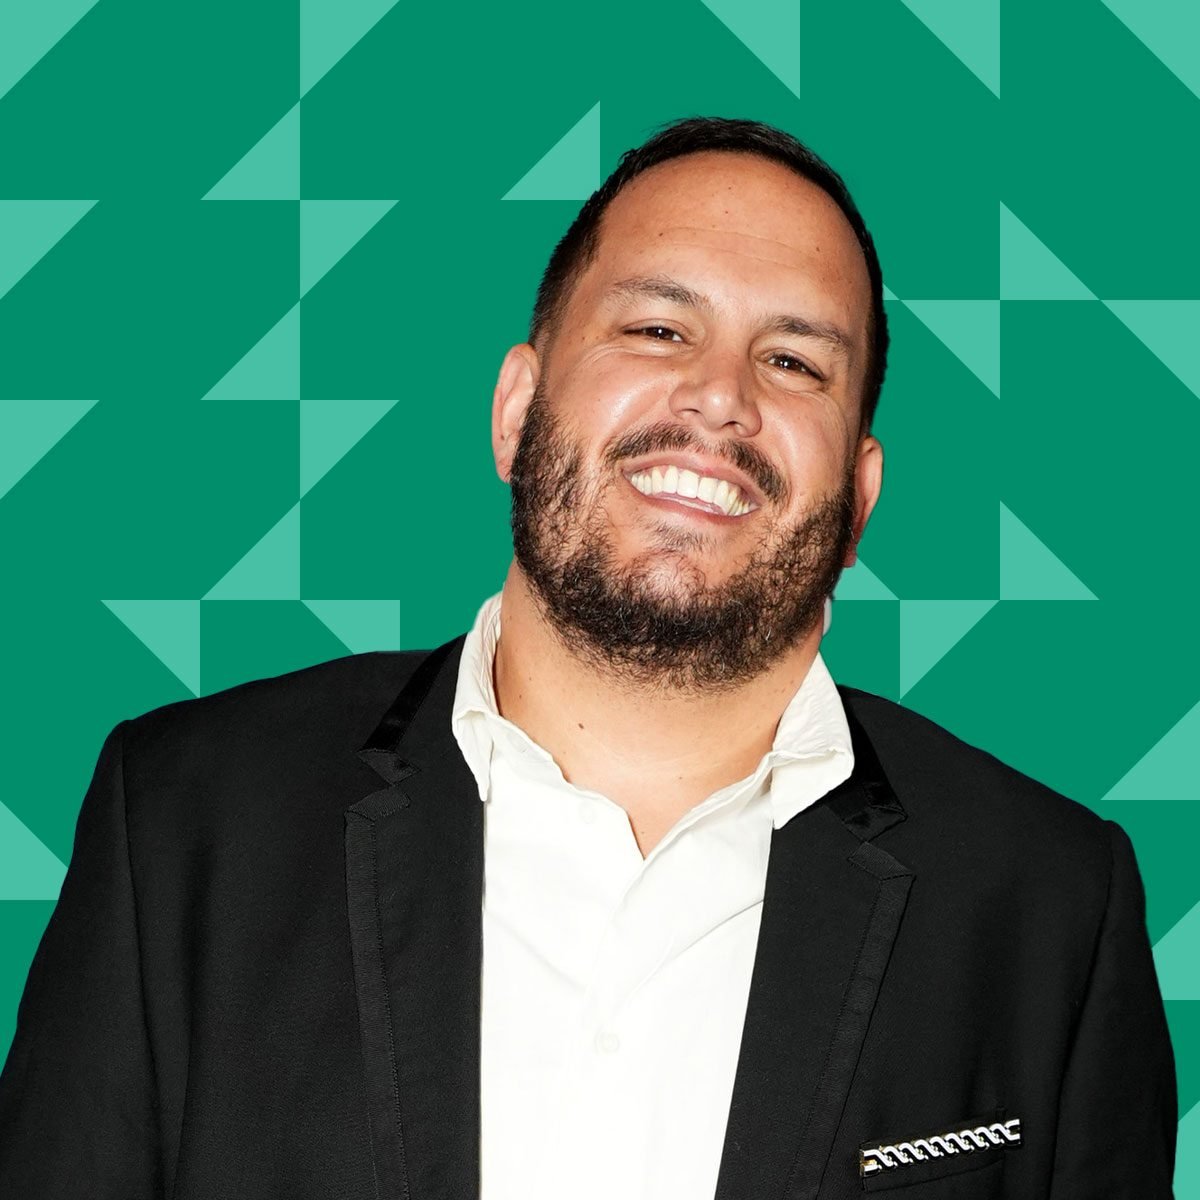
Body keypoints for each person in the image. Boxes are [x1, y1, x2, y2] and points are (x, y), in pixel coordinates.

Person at [0, 117, 1176, 1199]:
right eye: (659, 329)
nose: (719, 398)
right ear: (516, 411)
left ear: (860, 498)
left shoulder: (1053, 908)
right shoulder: (187, 820)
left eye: (795, 363)